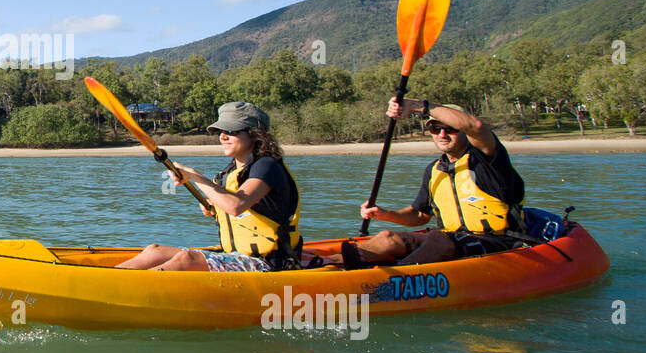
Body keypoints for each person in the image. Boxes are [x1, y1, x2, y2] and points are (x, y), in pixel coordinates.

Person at [117, 102, 318, 272]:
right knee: (154, 250)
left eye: (231, 131)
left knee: (187, 259)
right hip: (236, 254)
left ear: (255, 135)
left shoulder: (267, 166)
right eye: (221, 131)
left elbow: (236, 205)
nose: (222, 136)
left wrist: (195, 176)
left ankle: (122, 287)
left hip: (270, 264)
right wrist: (210, 207)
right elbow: (219, 210)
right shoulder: (228, 173)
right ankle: (109, 278)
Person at [339, 98, 527, 267]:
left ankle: (396, 279)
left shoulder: (488, 159)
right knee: (387, 238)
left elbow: (476, 127)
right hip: (451, 240)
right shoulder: (434, 169)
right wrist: (383, 214)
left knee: (438, 239)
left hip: (498, 242)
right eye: (436, 129)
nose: (442, 134)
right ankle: (328, 264)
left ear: (463, 131)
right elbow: (419, 216)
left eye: (450, 129)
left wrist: (416, 105)